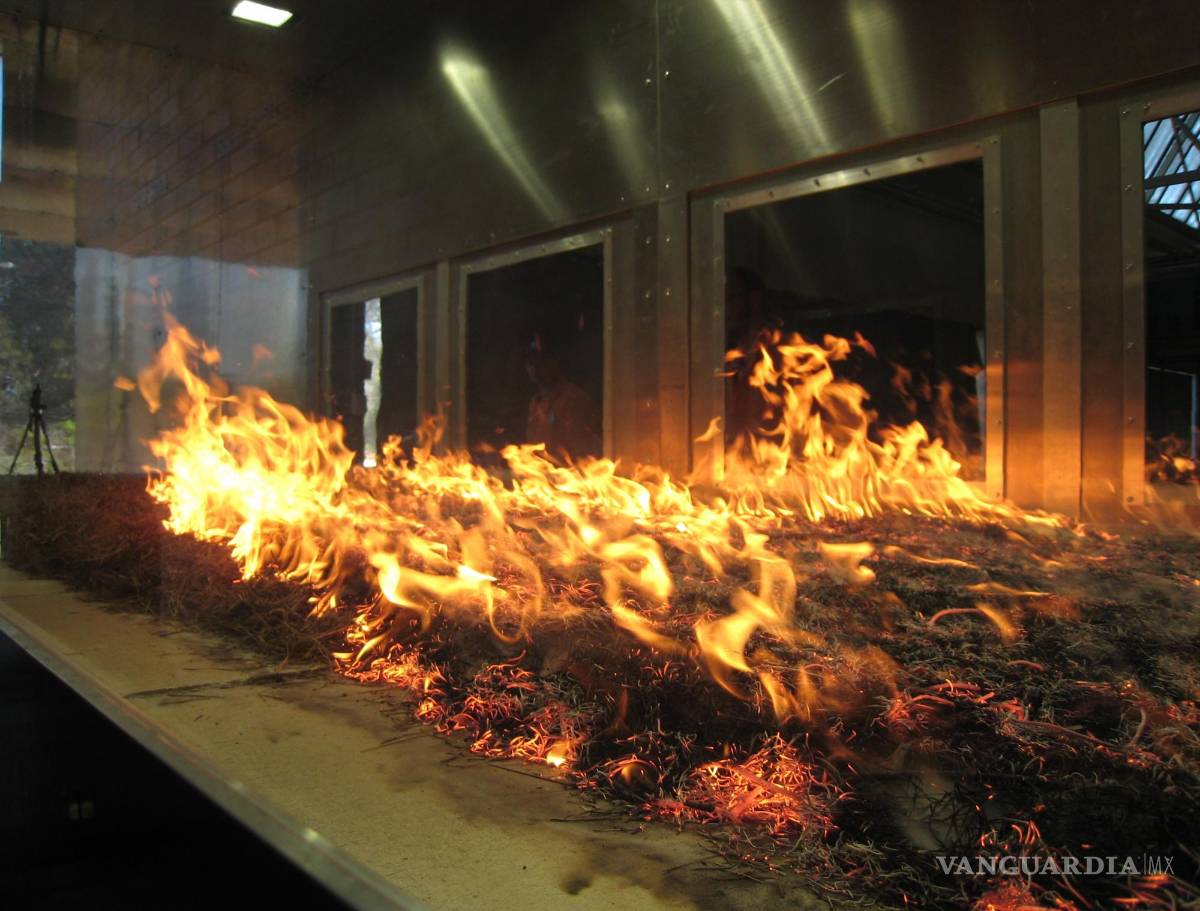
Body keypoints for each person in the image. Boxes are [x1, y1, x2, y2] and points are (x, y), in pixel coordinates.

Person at [524, 335, 600, 463]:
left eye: (541, 362)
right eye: (531, 363)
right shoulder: (535, 403)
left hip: (569, 477)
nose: (535, 368)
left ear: (554, 362)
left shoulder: (573, 399)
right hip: (540, 476)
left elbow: (583, 449)